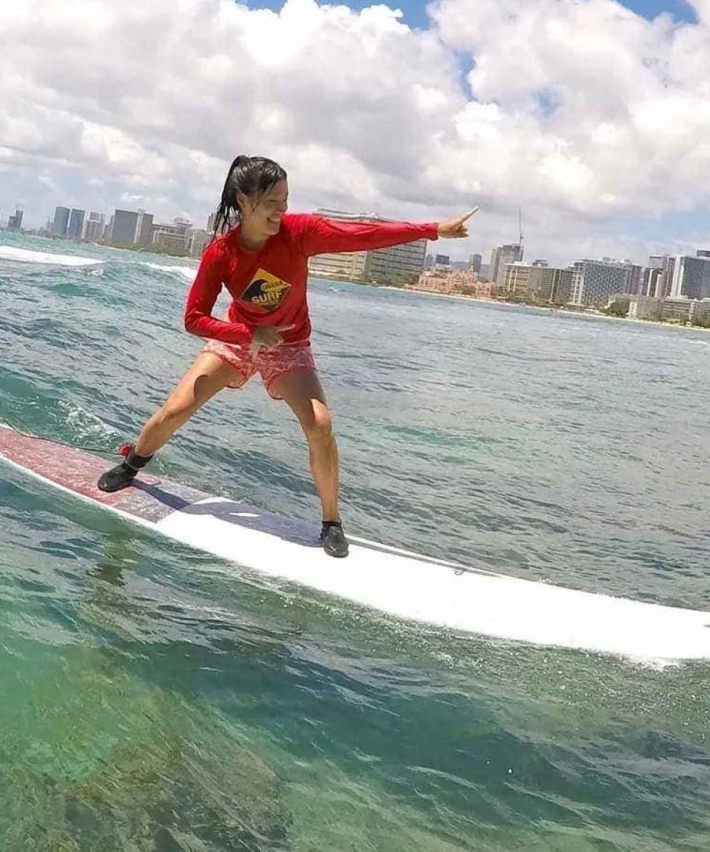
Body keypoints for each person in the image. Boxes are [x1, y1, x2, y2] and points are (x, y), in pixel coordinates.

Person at [98, 155, 475, 557]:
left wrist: (433, 229)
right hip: (239, 338)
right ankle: (133, 463)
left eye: (286, 200)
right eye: (273, 201)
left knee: (320, 424)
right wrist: (247, 333)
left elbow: (363, 234)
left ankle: (331, 521)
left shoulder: (300, 233)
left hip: (290, 347)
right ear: (244, 201)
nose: (282, 210)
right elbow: (193, 318)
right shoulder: (220, 254)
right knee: (176, 410)